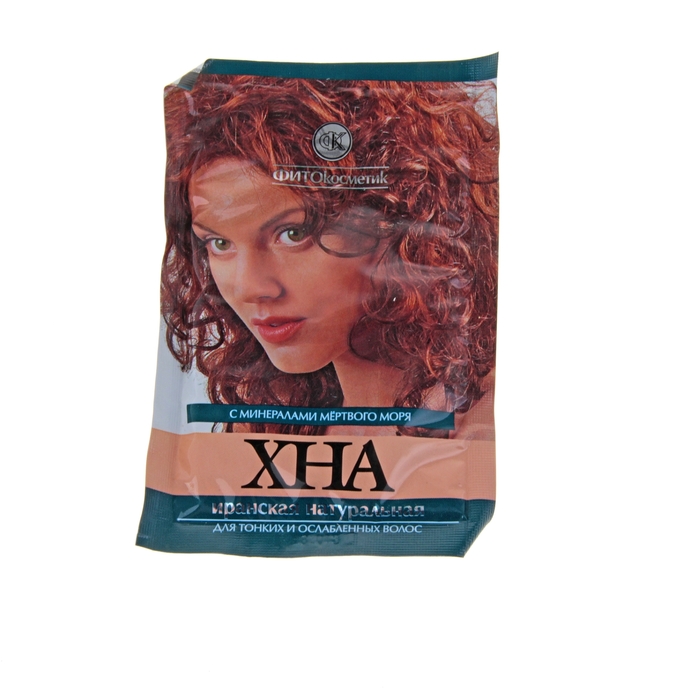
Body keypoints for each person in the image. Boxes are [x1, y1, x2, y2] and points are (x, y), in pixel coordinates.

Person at [161, 74, 499, 437]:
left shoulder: (479, 423)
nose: (250, 287)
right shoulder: (270, 417)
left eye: (293, 233)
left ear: (404, 218)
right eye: (219, 243)